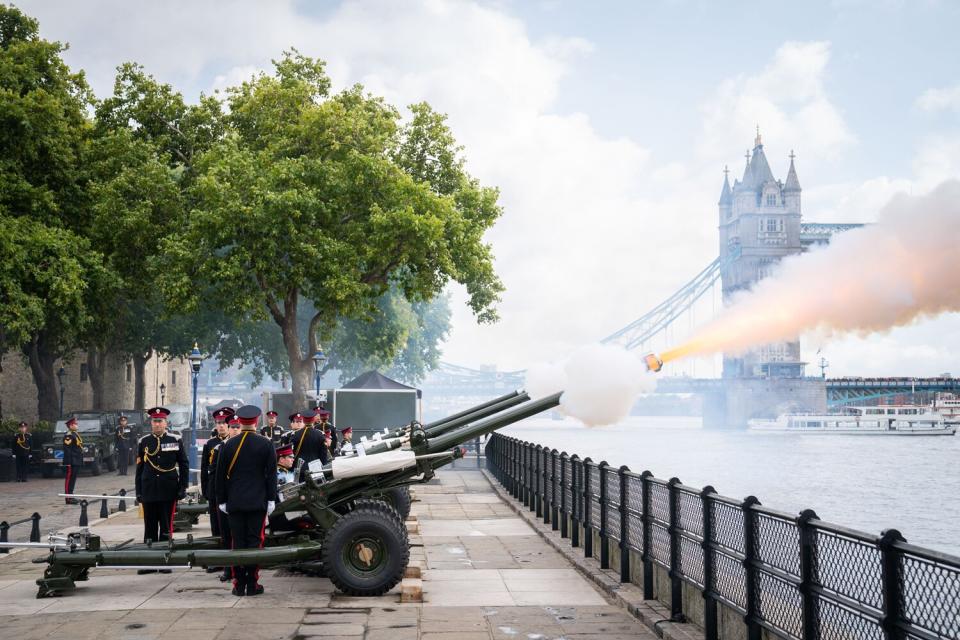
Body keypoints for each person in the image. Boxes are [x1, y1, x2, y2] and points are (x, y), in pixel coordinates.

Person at [215, 405, 276, 597]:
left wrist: (222, 500)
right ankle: (252, 583)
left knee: (237, 543)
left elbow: (219, 476)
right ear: (257, 422)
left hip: (235, 502)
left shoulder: (228, 445)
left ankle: (238, 584)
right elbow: (271, 476)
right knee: (254, 543)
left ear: (239, 422)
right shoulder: (266, 444)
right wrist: (271, 499)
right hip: (258, 502)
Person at [135, 407, 189, 571]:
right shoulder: (144, 442)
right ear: (151, 423)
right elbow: (140, 467)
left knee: (166, 528)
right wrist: (138, 490)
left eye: (160, 421)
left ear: (166, 423)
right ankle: (149, 562)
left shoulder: (175, 439)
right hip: (149, 489)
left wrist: (182, 487)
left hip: (168, 489)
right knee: (149, 527)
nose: (157, 424)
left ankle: (165, 561)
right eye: (154, 421)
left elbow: (184, 464)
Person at [201, 408, 233, 539]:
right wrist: (205, 490)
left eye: (224, 423)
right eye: (218, 423)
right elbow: (204, 469)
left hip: (230, 487)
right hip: (213, 488)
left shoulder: (233, 441)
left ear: (229, 424)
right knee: (215, 521)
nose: (221, 426)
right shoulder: (210, 443)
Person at [62, 417, 83, 503]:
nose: (77, 425)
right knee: (69, 479)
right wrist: (69, 462)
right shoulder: (69, 435)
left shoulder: (75, 434)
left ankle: (71, 495)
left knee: (73, 479)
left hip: (76, 460)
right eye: (75, 424)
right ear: (71, 426)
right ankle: (68, 498)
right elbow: (67, 450)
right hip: (71, 461)